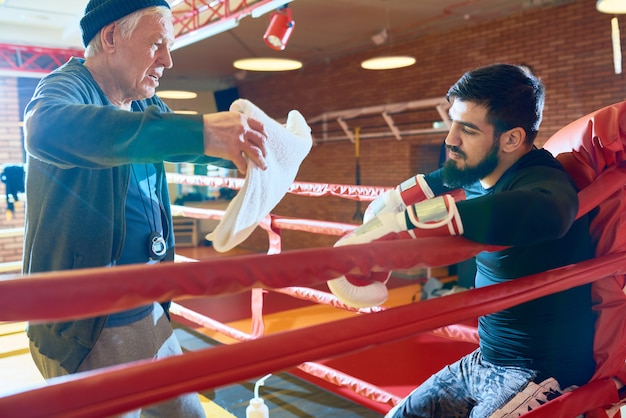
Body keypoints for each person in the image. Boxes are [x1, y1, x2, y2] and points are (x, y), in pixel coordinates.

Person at [22, 1, 269, 416]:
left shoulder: (141, 105)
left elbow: (182, 140)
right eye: (156, 43)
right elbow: (45, 129)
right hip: (90, 326)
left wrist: (245, 145)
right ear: (112, 36)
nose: (167, 60)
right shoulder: (66, 88)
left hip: (148, 310)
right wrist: (203, 131)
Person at [329, 63, 596, 416]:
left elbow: (553, 211)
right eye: (452, 122)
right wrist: (387, 212)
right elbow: (429, 184)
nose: (450, 139)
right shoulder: (476, 170)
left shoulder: (540, 178)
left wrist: (407, 224)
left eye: (467, 129)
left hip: (543, 371)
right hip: (484, 360)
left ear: (512, 139)